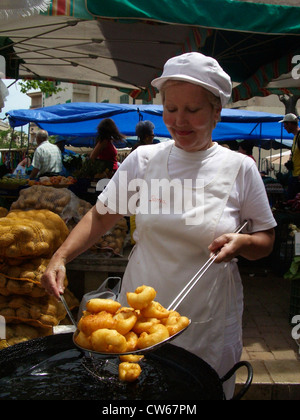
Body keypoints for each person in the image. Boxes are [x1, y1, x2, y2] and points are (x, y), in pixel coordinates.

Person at [41, 52, 276, 399]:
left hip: (206, 314)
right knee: (137, 394)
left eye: (192, 110)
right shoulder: (144, 160)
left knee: (199, 393)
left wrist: (242, 244)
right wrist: (60, 256)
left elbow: (266, 239)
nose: (179, 120)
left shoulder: (238, 168)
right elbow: (102, 216)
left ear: (216, 112)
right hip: (137, 313)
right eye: (171, 108)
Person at [280, 113, 300, 199]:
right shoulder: (296, 137)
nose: (284, 127)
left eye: (285, 124)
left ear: (290, 123)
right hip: (294, 174)